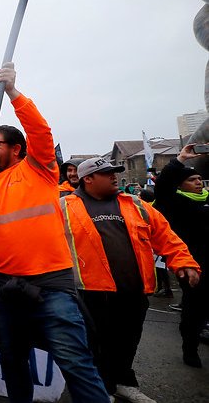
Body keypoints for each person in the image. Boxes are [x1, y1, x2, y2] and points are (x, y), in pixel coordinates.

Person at [0, 63, 109, 403]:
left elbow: (41, 131)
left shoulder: (38, 169)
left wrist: (12, 92)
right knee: (12, 359)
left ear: (16, 149)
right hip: (4, 286)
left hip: (51, 283)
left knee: (75, 362)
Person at [59, 157, 200, 402]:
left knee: (128, 340)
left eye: (115, 172)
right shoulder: (62, 207)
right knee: (96, 344)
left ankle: (124, 382)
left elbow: (166, 236)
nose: (114, 176)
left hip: (135, 290)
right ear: (88, 179)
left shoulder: (135, 203)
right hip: (90, 292)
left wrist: (184, 262)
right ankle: (100, 387)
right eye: (107, 173)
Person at [153, 144, 209, 368]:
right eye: (192, 180)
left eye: (199, 179)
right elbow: (163, 187)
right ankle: (190, 347)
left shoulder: (207, 199)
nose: (198, 183)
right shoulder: (174, 202)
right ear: (180, 184)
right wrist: (179, 160)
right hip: (191, 264)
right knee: (194, 308)